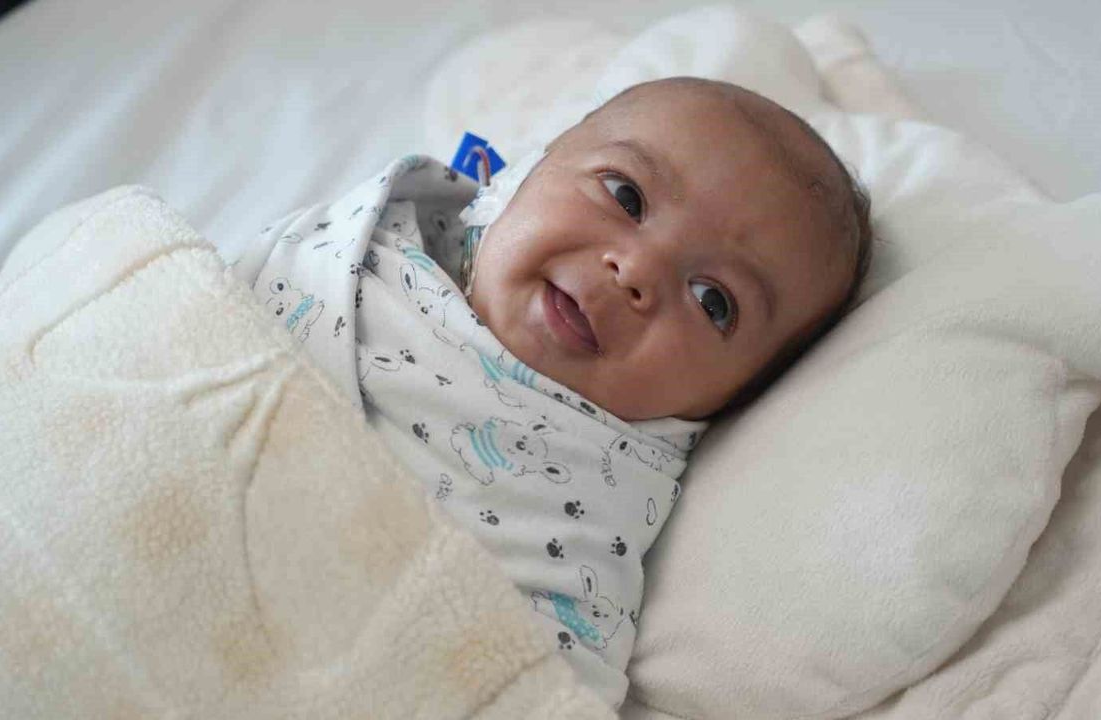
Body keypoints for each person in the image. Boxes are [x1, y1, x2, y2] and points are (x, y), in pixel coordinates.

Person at [231, 76, 872, 708]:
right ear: (530, 169)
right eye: (626, 196)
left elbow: (542, 690)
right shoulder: (366, 240)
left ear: (731, 399)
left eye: (713, 301)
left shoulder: (594, 507)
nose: (636, 270)